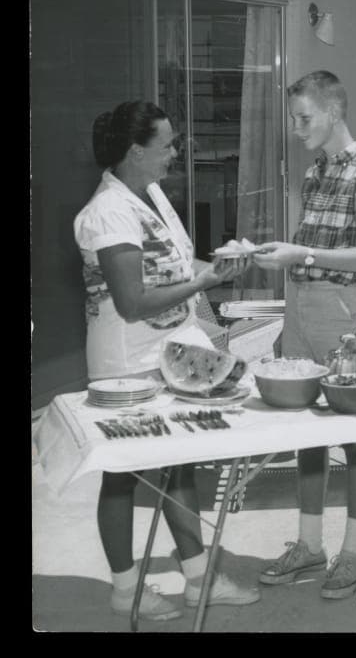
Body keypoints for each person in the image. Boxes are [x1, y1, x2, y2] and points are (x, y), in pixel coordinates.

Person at [73, 101, 260, 621]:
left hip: (174, 353)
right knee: (123, 475)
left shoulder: (149, 194)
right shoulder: (107, 213)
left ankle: (200, 580)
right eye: (168, 144)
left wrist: (218, 266)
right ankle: (124, 588)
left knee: (180, 468)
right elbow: (131, 301)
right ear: (136, 151)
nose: (177, 151)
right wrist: (201, 283)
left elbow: (175, 268)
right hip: (127, 366)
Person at [252, 71, 356, 600]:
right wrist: (281, 256)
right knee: (305, 435)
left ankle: (352, 556)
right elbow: (309, 253)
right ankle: (309, 544)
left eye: (303, 117)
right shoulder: (313, 173)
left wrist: (301, 255)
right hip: (300, 311)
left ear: (334, 113)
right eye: (293, 117)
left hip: (340, 314)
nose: (295, 127)